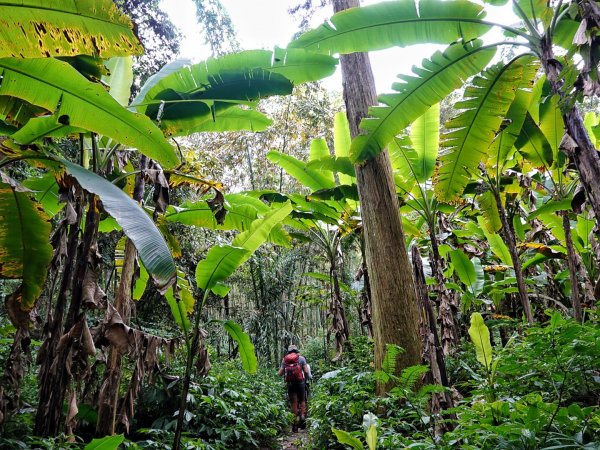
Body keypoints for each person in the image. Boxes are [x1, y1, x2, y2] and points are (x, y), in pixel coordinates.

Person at [278, 344, 310, 432]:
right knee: (302, 400)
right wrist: (305, 379)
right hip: (301, 382)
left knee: (293, 403)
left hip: (290, 384)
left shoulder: (285, 359)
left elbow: (280, 373)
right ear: (296, 351)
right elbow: (306, 371)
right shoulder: (302, 358)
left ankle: (295, 425)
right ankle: (302, 417)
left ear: (288, 351)